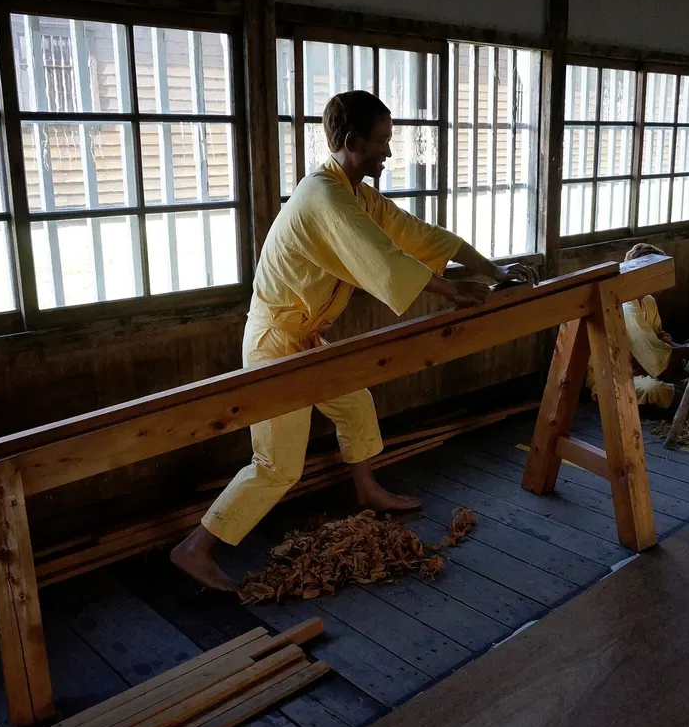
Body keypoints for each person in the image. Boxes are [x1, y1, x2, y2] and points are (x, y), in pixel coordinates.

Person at [172, 90, 537, 591]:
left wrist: (494, 272)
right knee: (278, 465)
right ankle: (194, 548)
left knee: (355, 403)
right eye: (382, 141)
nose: (389, 151)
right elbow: (382, 260)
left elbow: (423, 237)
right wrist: (454, 291)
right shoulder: (323, 197)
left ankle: (366, 488)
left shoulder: (358, 196)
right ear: (351, 141)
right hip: (274, 342)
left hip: (305, 338)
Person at [586, 244, 689, 410]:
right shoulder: (626, 307)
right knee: (656, 390)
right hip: (615, 375)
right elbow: (656, 361)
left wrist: (686, 348)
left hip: (643, 365)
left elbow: (659, 339)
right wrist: (688, 350)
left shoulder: (648, 300)